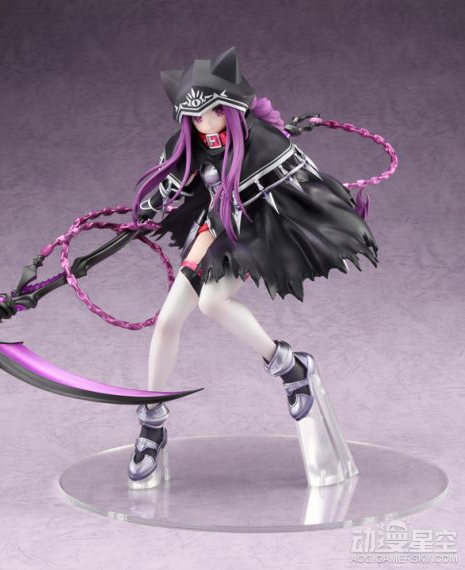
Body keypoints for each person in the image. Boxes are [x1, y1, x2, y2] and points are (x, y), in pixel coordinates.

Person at [127, 47, 378, 488]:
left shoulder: (262, 141)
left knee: (212, 303)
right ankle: (152, 422)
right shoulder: (193, 145)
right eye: (195, 117)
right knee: (166, 322)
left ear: (230, 107)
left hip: (252, 234)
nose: (204, 124)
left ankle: (289, 366)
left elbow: (306, 184)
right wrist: (154, 201)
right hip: (212, 232)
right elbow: (176, 178)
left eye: (211, 112)